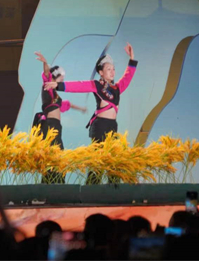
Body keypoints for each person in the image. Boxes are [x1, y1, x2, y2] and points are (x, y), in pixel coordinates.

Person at [45, 43, 137, 184]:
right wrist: (58, 85)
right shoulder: (97, 85)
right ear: (101, 72)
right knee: (97, 163)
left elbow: (127, 77)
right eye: (108, 69)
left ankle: (114, 191)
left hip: (112, 126)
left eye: (113, 69)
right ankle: (92, 190)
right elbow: (79, 85)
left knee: (114, 162)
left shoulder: (117, 89)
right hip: (100, 126)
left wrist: (131, 59)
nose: (112, 72)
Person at [33, 52, 88, 149]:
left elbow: (67, 104)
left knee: (57, 151)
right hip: (50, 124)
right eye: (61, 80)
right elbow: (46, 74)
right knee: (53, 151)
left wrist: (81, 109)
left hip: (56, 125)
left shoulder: (55, 97)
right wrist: (45, 63)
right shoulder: (48, 86)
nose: (62, 82)